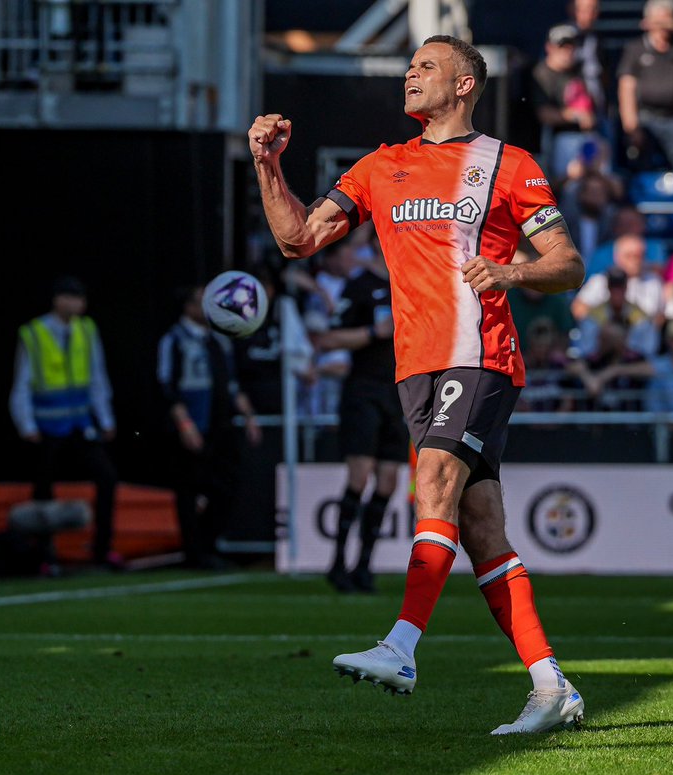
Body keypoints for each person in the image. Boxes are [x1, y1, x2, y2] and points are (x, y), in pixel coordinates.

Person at [249, 35, 587, 734]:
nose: (410, 75)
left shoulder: (507, 163)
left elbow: (568, 262)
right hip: (416, 366)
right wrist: (268, 165)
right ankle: (551, 685)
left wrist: (513, 272)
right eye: (409, 66)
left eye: (426, 66)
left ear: (464, 85)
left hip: (481, 352)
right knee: (482, 528)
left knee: (432, 481)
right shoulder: (381, 166)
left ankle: (401, 645)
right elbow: (298, 239)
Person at [309, 246, 406, 594]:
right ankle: (337, 563)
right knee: (359, 476)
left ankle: (364, 566)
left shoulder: (410, 282)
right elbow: (329, 338)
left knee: (388, 482)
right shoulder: (361, 285)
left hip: (400, 393)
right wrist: (373, 333)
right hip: (363, 392)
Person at [9, 276, 121, 569]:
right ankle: (44, 554)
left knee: (107, 476)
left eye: (80, 298)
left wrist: (105, 418)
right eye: (71, 297)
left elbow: (97, 376)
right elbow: (21, 383)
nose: (78, 304)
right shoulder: (34, 333)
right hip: (47, 425)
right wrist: (26, 424)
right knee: (44, 486)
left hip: (80, 422)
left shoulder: (87, 329)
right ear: (58, 299)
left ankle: (102, 549)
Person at [157, 286, 261, 570]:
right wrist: (185, 424)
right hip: (193, 424)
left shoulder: (219, 339)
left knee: (227, 484)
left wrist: (249, 415)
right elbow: (167, 386)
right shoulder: (175, 340)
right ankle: (194, 552)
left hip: (220, 425)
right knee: (189, 489)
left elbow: (231, 383)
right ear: (188, 307)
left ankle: (208, 543)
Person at [616, 0, 673, 172]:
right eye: (657, 21)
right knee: (642, 171)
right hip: (645, 118)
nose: (661, 27)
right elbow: (626, 89)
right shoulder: (635, 49)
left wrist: (670, 22)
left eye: (665, 20)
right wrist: (631, 126)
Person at [532, 24, 604, 180]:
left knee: (600, 177)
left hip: (587, 138)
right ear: (549, 48)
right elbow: (544, 114)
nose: (567, 52)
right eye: (562, 47)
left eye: (571, 47)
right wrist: (577, 116)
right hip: (558, 140)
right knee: (572, 182)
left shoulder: (579, 71)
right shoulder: (542, 74)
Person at [572, 233, 664, 322]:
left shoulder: (654, 281)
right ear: (617, 257)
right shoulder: (600, 281)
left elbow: (661, 316)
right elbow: (578, 308)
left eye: (639, 256)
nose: (635, 261)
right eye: (629, 256)